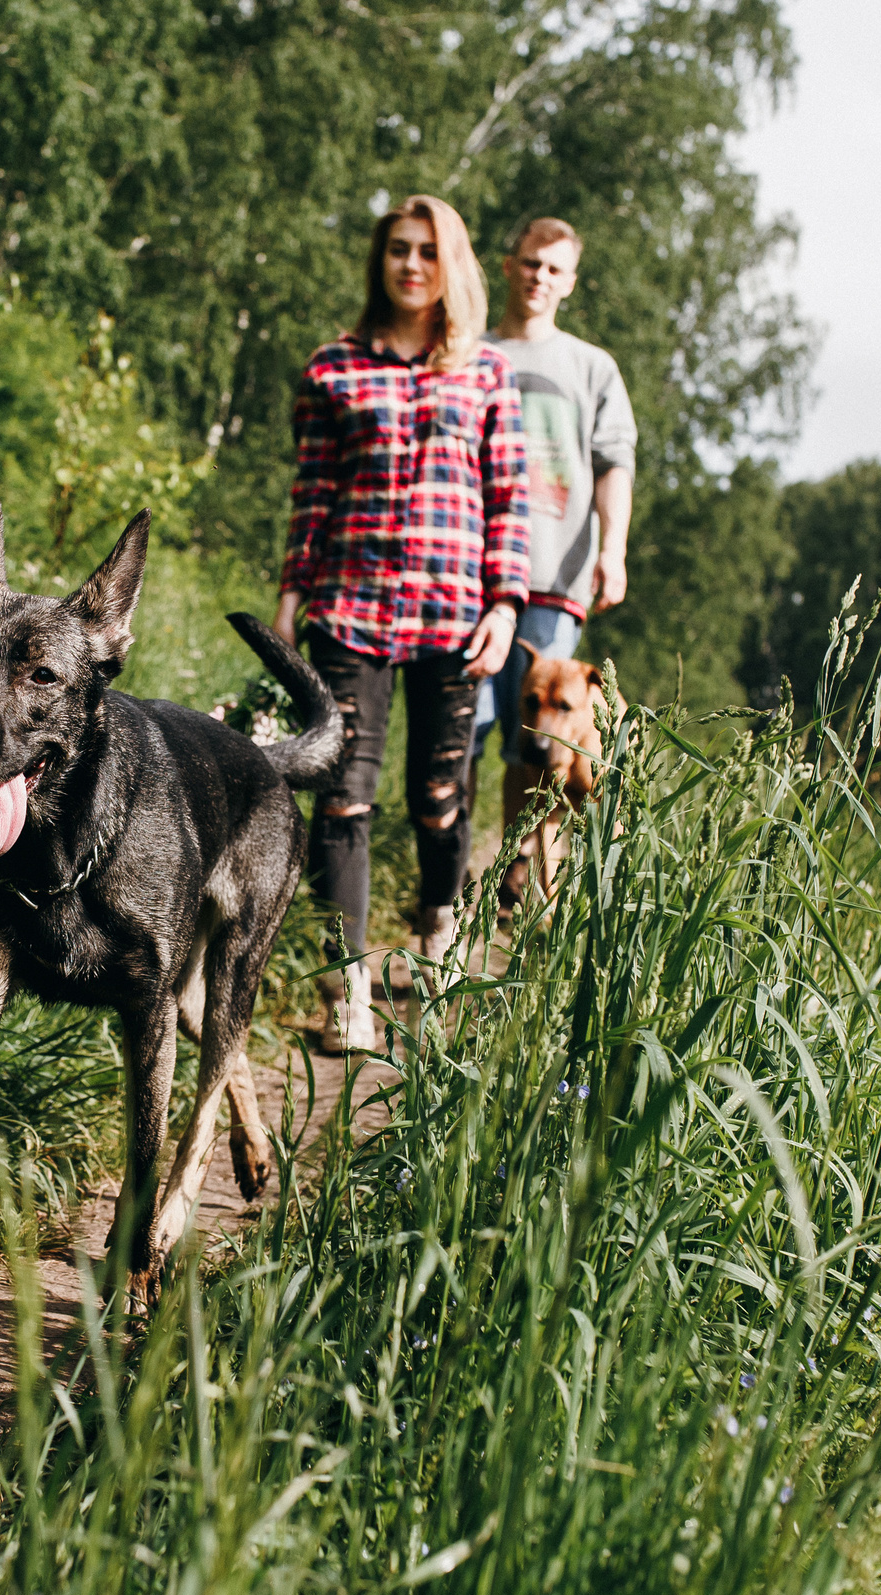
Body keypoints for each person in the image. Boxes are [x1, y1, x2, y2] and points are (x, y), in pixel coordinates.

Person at [277, 195, 530, 1053]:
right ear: (379, 261)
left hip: (456, 618)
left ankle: (437, 934)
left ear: (451, 265)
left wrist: (505, 602)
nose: (411, 264)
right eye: (397, 249)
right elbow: (311, 495)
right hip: (350, 611)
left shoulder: (488, 374)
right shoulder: (335, 368)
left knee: (437, 796)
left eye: (427, 251)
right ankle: (345, 994)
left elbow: (510, 501)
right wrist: (289, 596)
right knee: (343, 796)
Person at [473, 215, 636, 913]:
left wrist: (614, 549)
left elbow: (614, 462)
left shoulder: (591, 366)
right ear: (509, 265)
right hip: (469, 573)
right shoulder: (473, 350)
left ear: (570, 282)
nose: (540, 277)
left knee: (536, 738)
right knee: (467, 730)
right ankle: (442, 887)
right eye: (531, 262)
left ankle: (517, 869)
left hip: (553, 579)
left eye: (555, 269)